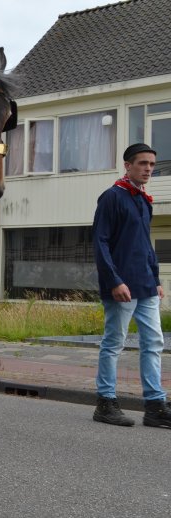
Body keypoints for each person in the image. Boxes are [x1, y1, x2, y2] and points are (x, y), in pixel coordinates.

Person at [92, 142, 170, 428]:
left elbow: (145, 245)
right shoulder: (112, 197)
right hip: (121, 287)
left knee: (154, 343)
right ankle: (106, 403)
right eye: (142, 163)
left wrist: (156, 278)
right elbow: (99, 242)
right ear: (128, 165)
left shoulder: (143, 200)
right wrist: (114, 280)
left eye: (151, 164)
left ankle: (154, 406)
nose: (148, 168)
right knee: (114, 343)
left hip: (146, 285)